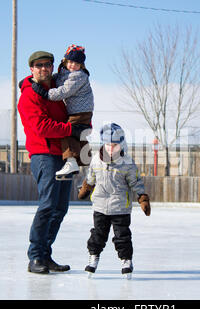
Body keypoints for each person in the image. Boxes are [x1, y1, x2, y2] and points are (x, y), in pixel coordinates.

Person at [18, 50, 90, 274]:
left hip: (62, 155)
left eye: (47, 65)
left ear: (53, 67)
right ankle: (35, 256)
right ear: (32, 69)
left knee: (60, 207)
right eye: (38, 65)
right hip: (44, 155)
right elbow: (41, 126)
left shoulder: (55, 91)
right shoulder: (30, 95)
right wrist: (71, 129)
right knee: (48, 205)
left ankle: (46, 254)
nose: (43, 69)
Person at [78, 123, 151, 279]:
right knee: (98, 234)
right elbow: (91, 176)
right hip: (100, 206)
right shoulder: (96, 160)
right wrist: (86, 187)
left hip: (120, 208)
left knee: (122, 236)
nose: (111, 149)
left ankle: (126, 260)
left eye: (115, 145)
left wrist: (142, 198)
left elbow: (136, 182)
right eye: (108, 145)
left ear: (122, 144)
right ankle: (93, 257)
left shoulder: (127, 163)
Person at [31, 44, 94, 180]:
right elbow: (55, 78)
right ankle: (89, 168)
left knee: (67, 133)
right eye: (70, 62)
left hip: (81, 112)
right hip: (79, 111)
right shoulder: (65, 72)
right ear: (65, 61)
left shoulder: (78, 76)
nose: (72, 65)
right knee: (78, 137)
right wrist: (28, 81)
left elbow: (63, 92)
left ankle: (71, 162)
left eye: (77, 63)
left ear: (81, 65)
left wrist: (45, 93)